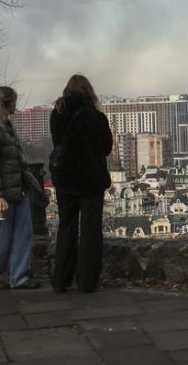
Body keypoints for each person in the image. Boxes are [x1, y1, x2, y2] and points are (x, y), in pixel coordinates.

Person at [49, 74, 113, 293]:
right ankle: (86, 281)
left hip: (64, 178)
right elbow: (106, 148)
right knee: (90, 229)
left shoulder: (56, 114)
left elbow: (57, 143)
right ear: (89, 92)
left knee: (66, 226)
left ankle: (61, 279)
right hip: (90, 179)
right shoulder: (95, 117)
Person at [0, 86, 39, 289]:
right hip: (3, 194)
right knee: (0, 236)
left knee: (24, 232)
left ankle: (20, 276)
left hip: (16, 189)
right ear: (9, 103)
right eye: (14, 102)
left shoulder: (4, 126)